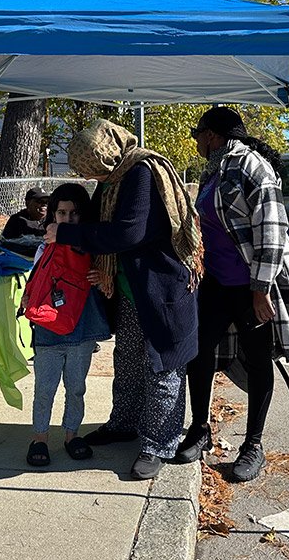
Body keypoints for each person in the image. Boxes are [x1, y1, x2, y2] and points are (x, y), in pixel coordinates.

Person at [44, 119, 202, 481]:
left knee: (164, 365)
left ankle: (158, 444)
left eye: (95, 170)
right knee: (128, 360)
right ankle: (124, 424)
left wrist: (65, 232)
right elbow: (97, 221)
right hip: (131, 289)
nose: (95, 178)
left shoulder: (141, 172)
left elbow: (128, 232)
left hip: (163, 287)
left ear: (107, 154)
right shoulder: (115, 178)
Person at [176, 107, 289, 482]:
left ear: (213, 134)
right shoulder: (216, 169)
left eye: (198, 133)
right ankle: (200, 429)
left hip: (251, 284)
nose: (195, 140)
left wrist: (261, 290)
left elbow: (272, 230)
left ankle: (253, 444)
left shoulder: (252, 167)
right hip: (217, 282)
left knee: (258, 360)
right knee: (199, 351)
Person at [22, 184, 110, 468]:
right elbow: (36, 282)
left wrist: (101, 276)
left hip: (81, 331)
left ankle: (72, 434)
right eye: (62, 212)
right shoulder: (44, 248)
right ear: (52, 216)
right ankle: (40, 437)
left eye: (74, 213)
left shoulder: (94, 249)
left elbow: (106, 283)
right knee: (44, 388)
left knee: (76, 387)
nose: (68, 218)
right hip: (49, 331)